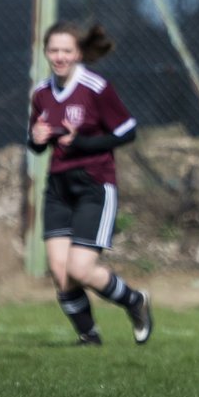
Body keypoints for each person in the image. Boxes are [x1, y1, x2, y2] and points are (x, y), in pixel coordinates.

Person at [28, 20, 153, 346]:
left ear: (78, 53)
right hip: (58, 187)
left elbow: (128, 131)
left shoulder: (96, 88)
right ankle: (89, 339)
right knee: (59, 271)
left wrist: (82, 143)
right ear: (45, 52)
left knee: (80, 269)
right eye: (53, 50)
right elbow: (39, 143)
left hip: (94, 185)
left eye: (66, 50)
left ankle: (134, 301)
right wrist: (37, 139)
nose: (59, 56)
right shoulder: (41, 92)